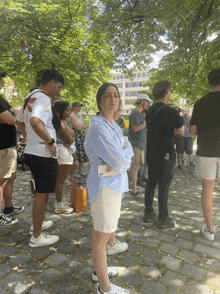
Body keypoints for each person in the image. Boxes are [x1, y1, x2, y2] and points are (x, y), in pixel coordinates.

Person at [84, 83, 133, 294]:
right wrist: (123, 158)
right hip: (105, 187)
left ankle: (99, 271)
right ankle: (104, 288)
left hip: (114, 185)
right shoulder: (98, 127)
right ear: (100, 100)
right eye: (107, 96)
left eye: (116, 96)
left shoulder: (112, 125)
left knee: (106, 232)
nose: (112, 100)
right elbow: (120, 161)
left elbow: (126, 148)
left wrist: (124, 156)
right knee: (101, 237)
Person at [16, 68, 64, 247]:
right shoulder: (43, 98)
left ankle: (38, 223)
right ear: (51, 83)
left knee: (39, 193)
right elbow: (35, 122)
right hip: (43, 153)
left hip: (33, 151)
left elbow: (19, 122)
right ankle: (37, 236)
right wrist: (50, 142)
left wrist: (31, 138)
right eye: (58, 87)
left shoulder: (29, 97)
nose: (58, 91)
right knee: (42, 195)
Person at [143, 80, 184, 229]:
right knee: (164, 185)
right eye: (170, 90)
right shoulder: (170, 111)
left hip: (152, 151)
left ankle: (148, 212)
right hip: (166, 152)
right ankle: (163, 217)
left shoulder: (150, 110)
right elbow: (180, 130)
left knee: (151, 183)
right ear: (167, 92)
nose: (171, 93)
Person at [189, 68, 220, 241]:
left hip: (206, 152)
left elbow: (192, 130)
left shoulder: (200, 102)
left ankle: (209, 229)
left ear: (209, 83)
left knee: (207, 190)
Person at [0, 70, 24, 226]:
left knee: (11, 177)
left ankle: (8, 208)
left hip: (9, 146)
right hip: (2, 147)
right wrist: (12, 116)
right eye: (0, 78)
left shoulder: (1, 99)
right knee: (1, 181)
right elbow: (10, 119)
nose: (2, 80)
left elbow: (12, 112)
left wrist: (12, 114)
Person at [53, 101, 78, 214]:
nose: (69, 112)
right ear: (60, 111)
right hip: (62, 153)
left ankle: (59, 202)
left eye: (70, 110)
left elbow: (69, 135)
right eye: (67, 110)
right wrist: (70, 139)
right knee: (60, 181)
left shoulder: (62, 121)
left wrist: (70, 137)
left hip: (63, 151)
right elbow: (70, 138)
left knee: (60, 180)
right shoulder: (60, 123)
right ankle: (59, 204)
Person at [128, 94, 152, 195]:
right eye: (147, 102)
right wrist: (147, 122)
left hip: (140, 144)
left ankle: (134, 187)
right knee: (135, 166)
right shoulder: (135, 112)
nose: (148, 104)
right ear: (142, 101)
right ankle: (133, 189)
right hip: (136, 144)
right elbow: (135, 128)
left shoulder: (140, 113)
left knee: (137, 166)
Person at [69, 101, 89, 176]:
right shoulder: (72, 116)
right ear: (74, 107)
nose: (79, 108)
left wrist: (82, 127)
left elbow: (86, 125)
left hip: (82, 136)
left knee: (83, 152)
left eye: (80, 106)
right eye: (78, 106)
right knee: (77, 152)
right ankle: (75, 171)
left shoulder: (80, 115)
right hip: (76, 137)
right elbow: (76, 127)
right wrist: (82, 127)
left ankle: (81, 170)